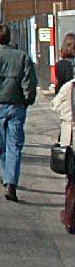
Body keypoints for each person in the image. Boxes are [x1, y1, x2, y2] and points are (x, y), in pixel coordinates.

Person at [0, 24, 37, 202]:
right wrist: (27, 100)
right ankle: (10, 180)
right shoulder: (22, 58)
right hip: (17, 105)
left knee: (2, 143)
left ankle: (6, 176)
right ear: (10, 38)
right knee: (15, 144)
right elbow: (29, 83)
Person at [51, 77, 75, 234]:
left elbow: (55, 105)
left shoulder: (69, 86)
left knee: (72, 182)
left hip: (71, 138)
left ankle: (70, 218)